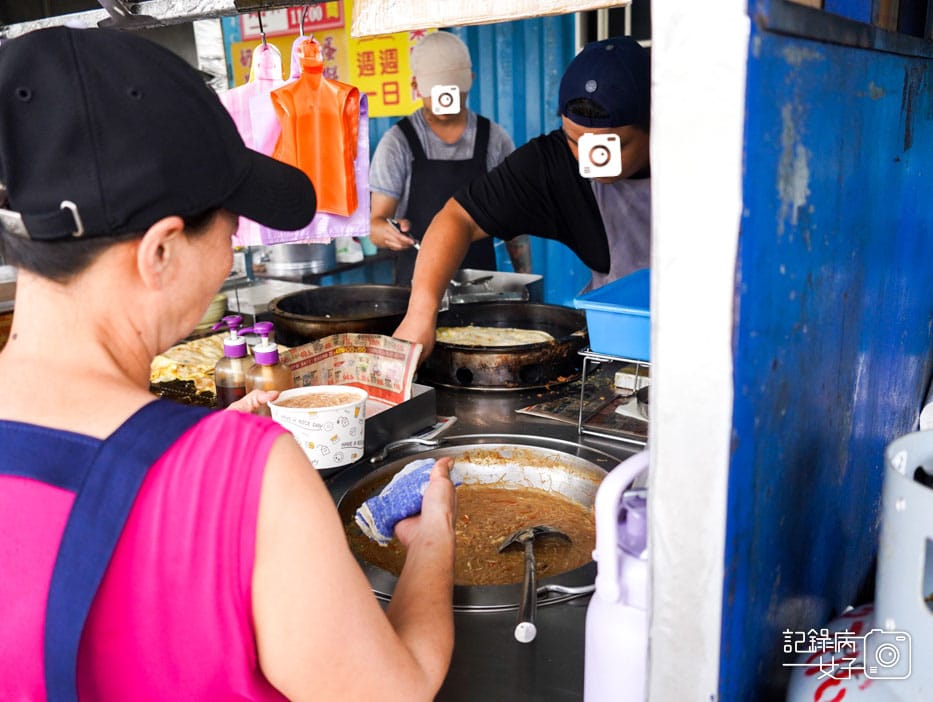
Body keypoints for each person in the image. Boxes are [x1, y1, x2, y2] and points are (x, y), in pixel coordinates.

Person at [0, 27, 456, 702]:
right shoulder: (249, 475)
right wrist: (432, 534)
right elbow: (398, 690)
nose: (231, 253)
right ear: (160, 252)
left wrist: (194, 446)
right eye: (231, 227)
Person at [394, 36, 651, 357]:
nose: (590, 158)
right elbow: (458, 217)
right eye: (575, 140)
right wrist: (420, 313)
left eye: (612, 146)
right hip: (615, 343)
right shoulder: (554, 162)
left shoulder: (700, 162)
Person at [368, 30, 531, 286]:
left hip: (481, 286)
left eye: (453, 90)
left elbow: (515, 221)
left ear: (470, 81)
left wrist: (525, 280)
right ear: (415, 86)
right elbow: (376, 225)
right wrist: (387, 232)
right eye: (435, 91)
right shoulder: (397, 142)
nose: (444, 99)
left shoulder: (494, 139)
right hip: (414, 287)